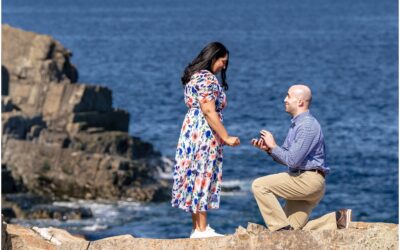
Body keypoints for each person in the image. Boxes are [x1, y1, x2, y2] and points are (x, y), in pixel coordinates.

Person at [251, 84, 351, 232]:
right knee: (294, 230)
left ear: (300, 102)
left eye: (288, 96)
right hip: (304, 179)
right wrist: (269, 150)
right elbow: (286, 156)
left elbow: (292, 161)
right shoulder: (297, 124)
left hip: (307, 180)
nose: (285, 99)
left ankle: (279, 229)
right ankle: (336, 219)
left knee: (259, 185)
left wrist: (273, 146)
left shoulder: (307, 126)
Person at [171, 42, 240, 238]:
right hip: (204, 132)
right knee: (203, 173)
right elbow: (208, 110)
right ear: (213, 58)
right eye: (222, 61)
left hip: (191, 130)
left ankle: (197, 228)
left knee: (195, 174)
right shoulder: (207, 78)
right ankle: (202, 229)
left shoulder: (195, 77)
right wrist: (226, 136)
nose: (224, 66)